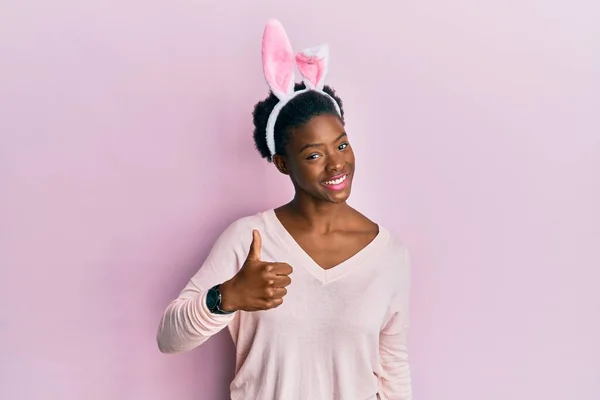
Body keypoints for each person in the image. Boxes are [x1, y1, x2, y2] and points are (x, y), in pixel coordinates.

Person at [156, 19, 413, 400]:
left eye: (341, 145)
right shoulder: (250, 239)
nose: (335, 164)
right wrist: (225, 297)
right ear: (282, 163)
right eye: (313, 154)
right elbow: (169, 338)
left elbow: (393, 369)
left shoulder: (389, 255)